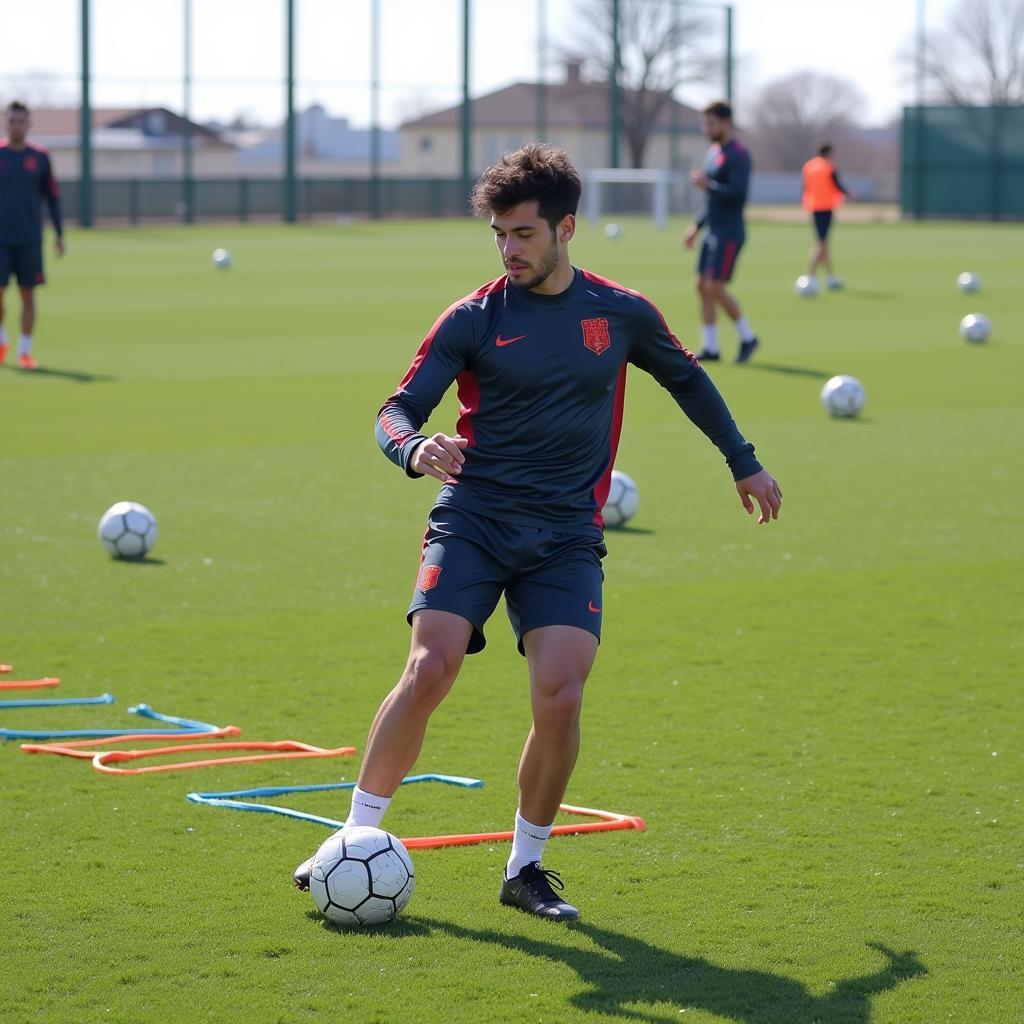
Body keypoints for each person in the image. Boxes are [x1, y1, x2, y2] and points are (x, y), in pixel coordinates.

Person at [293, 144, 782, 921]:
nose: (509, 249)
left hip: (564, 536)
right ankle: (352, 840)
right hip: (475, 519)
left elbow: (688, 377)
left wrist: (744, 463)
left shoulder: (619, 312)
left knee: (561, 694)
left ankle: (526, 869)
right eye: (499, 235)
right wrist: (416, 448)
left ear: (566, 229)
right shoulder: (472, 318)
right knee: (430, 667)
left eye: (523, 233)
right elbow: (396, 410)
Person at [683, 100, 758, 364]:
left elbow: (737, 195)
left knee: (715, 286)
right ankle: (711, 347)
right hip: (712, 231)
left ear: (726, 123)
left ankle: (748, 337)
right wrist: (696, 227)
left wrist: (708, 184)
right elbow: (711, 199)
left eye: (711, 123)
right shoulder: (714, 152)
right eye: (705, 123)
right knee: (702, 287)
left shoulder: (738, 154)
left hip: (729, 232)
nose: (707, 128)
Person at [0, 100, 65, 370]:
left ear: (28, 124)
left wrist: (60, 234)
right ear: (6, 122)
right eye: (12, 120)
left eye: (21, 121)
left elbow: (52, 197)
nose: (16, 125)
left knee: (28, 295)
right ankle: (2, 340)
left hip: (29, 238)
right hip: (1, 238)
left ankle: (25, 351)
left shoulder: (39, 157)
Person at [802, 143, 850, 290]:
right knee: (821, 243)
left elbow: (805, 187)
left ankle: (830, 277)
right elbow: (837, 185)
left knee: (824, 243)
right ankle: (810, 276)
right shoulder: (828, 166)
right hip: (826, 207)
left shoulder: (809, 166)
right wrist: (848, 193)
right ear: (828, 152)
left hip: (813, 206)